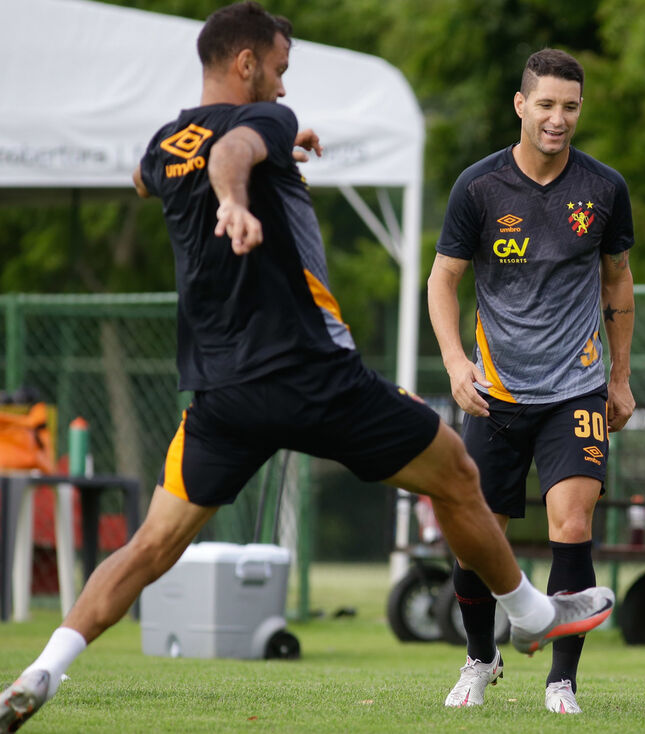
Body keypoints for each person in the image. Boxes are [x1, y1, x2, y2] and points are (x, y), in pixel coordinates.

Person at [0, 7, 613, 731]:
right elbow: (231, 156)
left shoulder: (167, 143)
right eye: (281, 70)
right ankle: (533, 613)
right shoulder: (263, 121)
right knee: (456, 474)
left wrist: (256, 164)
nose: (285, 90)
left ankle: (43, 668)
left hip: (221, 393)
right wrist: (238, 189)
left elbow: (147, 176)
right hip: (314, 375)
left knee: (150, 547)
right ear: (248, 65)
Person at [426, 48, 635, 714]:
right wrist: (458, 364)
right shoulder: (479, 187)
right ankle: (480, 659)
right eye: (545, 104)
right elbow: (443, 280)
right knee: (475, 534)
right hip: (496, 392)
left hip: (576, 386)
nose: (558, 118)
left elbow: (618, 281)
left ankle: (562, 683)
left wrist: (620, 378)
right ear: (521, 105)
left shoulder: (604, 189)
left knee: (571, 523)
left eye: (570, 106)